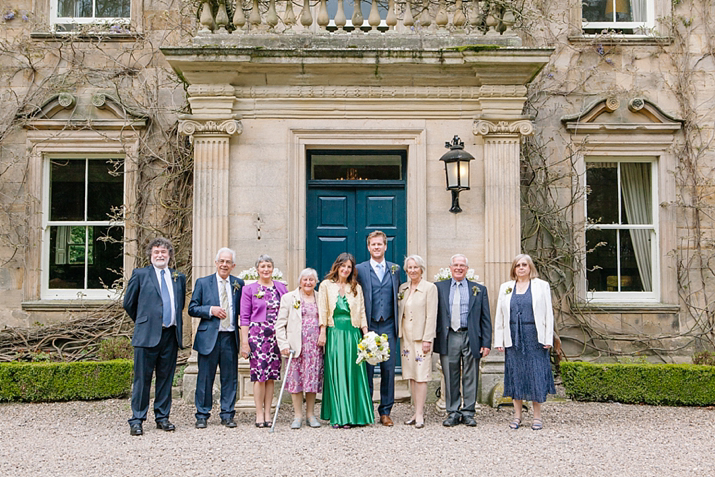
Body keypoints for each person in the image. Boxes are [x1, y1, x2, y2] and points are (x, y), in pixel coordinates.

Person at [123, 237, 186, 436]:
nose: (160, 255)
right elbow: (128, 303)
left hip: (170, 334)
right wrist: (144, 321)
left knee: (166, 378)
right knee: (142, 379)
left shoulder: (178, 277)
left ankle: (162, 417)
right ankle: (137, 419)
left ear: (169, 255)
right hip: (147, 335)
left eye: (163, 252)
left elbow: (179, 304)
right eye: (156, 252)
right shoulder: (140, 275)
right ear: (151, 255)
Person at [494, 254, 556, 431]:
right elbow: (500, 315)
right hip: (513, 336)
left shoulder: (541, 286)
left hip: (534, 336)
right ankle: (517, 415)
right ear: (514, 269)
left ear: (530, 267)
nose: (521, 268)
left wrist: (548, 338)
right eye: (517, 265)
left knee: (535, 374)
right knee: (516, 375)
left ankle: (537, 417)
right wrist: (500, 340)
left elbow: (548, 314)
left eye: (524, 265)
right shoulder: (506, 288)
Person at [188, 247, 244, 429]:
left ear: (233, 265)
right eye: (222, 261)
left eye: (228, 262)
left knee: (230, 377)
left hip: (229, 337)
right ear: (216, 263)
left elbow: (244, 311)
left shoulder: (239, 284)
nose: (224, 265)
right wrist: (210, 310)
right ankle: (202, 414)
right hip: (209, 337)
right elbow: (192, 308)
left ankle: (227, 414)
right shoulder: (203, 283)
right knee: (205, 377)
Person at [434, 254, 491, 427]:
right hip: (449, 335)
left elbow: (485, 318)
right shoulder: (438, 288)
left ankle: (468, 412)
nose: (459, 268)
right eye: (455, 265)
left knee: (471, 375)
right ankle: (452, 412)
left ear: (467, 269)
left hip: (471, 335)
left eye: (462, 265)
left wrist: (486, 342)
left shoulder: (479, 289)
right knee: (450, 374)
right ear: (450, 268)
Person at [318, 253, 373, 428]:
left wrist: (366, 335)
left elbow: (362, 311)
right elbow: (323, 309)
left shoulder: (355, 287)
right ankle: (340, 415)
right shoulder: (326, 285)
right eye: (343, 266)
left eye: (349, 267)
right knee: (337, 372)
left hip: (353, 333)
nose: (346, 269)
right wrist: (323, 331)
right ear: (337, 266)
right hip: (335, 332)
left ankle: (356, 415)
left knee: (353, 372)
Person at [355, 230, 401, 427]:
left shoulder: (395, 269)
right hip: (369, 324)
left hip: (389, 324)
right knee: (367, 369)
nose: (376, 247)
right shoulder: (360, 269)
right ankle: (366, 409)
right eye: (373, 244)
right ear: (368, 247)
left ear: (385, 246)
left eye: (379, 244)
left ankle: (385, 411)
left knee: (388, 370)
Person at [240, 255, 288, 428]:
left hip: (276, 336)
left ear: (273, 268)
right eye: (263, 266)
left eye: (269, 266)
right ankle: (259, 413)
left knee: (271, 377)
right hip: (257, 336)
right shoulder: (250, 289)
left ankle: (269, 412)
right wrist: (244, 343)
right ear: (257, 269)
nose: (266, 269)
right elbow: (244, 317)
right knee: (259, 376)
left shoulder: (281, 288)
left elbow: (288, 311)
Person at [275, 268, 324, 429]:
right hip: (296, 347)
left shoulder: (321, 298)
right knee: (296, 381)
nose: (308, 282)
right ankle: (297, 415)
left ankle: (310, 414)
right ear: (300, 282)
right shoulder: (289, 298)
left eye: (311, 279)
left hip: (314, 347)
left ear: (316, 282)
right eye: (305, 279)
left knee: (311, 381)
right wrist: (283, 345)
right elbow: (280, 324)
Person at [397, 255, 437, 429]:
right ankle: (415, 411)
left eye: (415, 267)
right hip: (405, 337)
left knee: (421, 376)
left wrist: (428, 338)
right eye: (409, 268)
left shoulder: (430, 288)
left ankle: (420, 413)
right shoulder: (403, 288)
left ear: (421, 269)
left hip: (422, 338)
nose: (412, 270)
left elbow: (431, 315)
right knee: (411, 375)